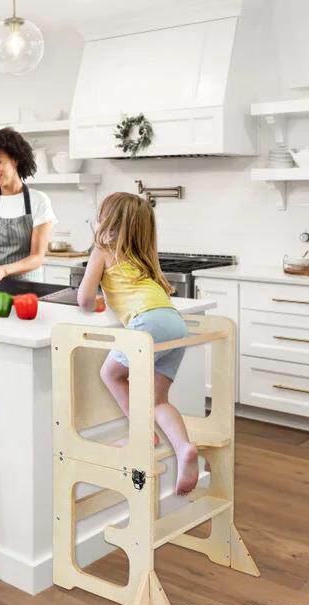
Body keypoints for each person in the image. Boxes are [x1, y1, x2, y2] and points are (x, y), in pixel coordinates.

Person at [77, 192, 198, 495]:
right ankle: (184, 447)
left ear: (108, 224)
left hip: (147, 324)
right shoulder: (143, 259)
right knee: (158, 400)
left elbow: (84, 299)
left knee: (110, 373)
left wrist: (98, 301)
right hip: (174, 324)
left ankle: (142, 435)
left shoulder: (102, 251)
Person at [0, 128, 57, 286]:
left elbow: (37, 257)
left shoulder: (38, 200)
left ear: (15, 159)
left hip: (29, 289)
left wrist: (3, 270)